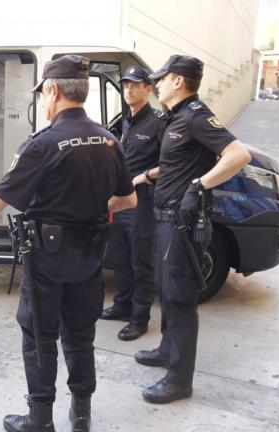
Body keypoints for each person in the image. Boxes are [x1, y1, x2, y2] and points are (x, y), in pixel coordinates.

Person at [0, 55, 136, 432]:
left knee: (39, 335)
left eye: (44, 94)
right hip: (90, 257)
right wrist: (90, 206)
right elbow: (128, 200)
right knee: (80, 334)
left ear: (54, 90)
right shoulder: (109, 140)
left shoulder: (43, 144)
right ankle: (80, 416)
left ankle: (41, 421)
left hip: (47, 259)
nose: (43, 102)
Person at [135, 55, 250, 404]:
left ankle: (179, 380)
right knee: (166, 289)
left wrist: (200, 185)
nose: (156, 84)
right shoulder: (175, 117)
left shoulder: (197, 116)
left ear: (179, 81)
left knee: (180, 299)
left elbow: (238, 154)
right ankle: (167, 350)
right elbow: (177, 162)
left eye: (161, 79)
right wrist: (147, 175)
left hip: (182, 225)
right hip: (165, 220)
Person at [101, 66, 166, 341]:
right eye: (126, 85)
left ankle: (139, 319)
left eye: (135, 85)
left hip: (143, 203)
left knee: (141, 262)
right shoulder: (127, 121)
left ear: (148, 89)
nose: (128, 89)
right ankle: (123, 305)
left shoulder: (159, 122)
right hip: (121, 201)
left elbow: (172, 163)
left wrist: (144, 177)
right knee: (121, 259)